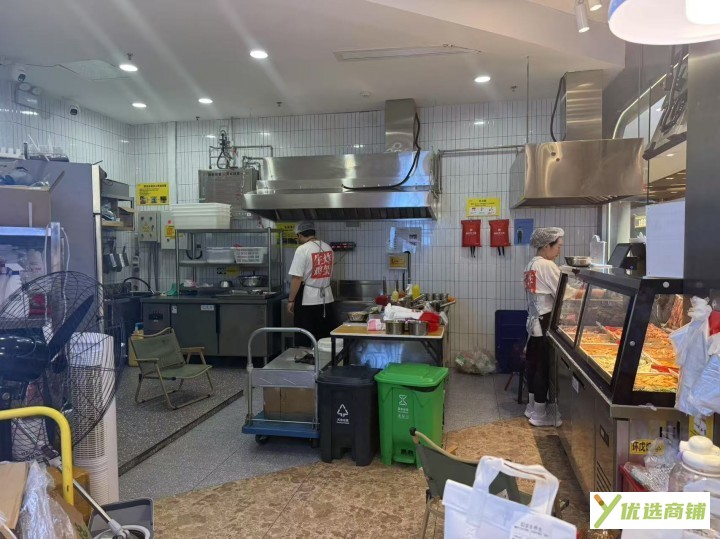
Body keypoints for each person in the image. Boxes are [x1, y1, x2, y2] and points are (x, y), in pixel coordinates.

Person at [523, 227, 564, 427]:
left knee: (533, 365)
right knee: (542, 367)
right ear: (547, 245)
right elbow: (563, 293)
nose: (559, 251)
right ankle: (540, 414)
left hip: (534, 320)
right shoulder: (547, 265)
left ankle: (532, 407)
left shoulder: (531, 264)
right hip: (544, 320)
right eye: (558, 246)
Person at [287, 221, 335, 349]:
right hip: (326, 298)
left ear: (299, 235)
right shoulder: (328, 248)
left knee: (304, 336)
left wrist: (291, 300)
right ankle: (324, 360)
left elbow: (297, 278)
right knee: (324, 338)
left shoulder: (302, 249)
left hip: (307, 300)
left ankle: (305, 359)